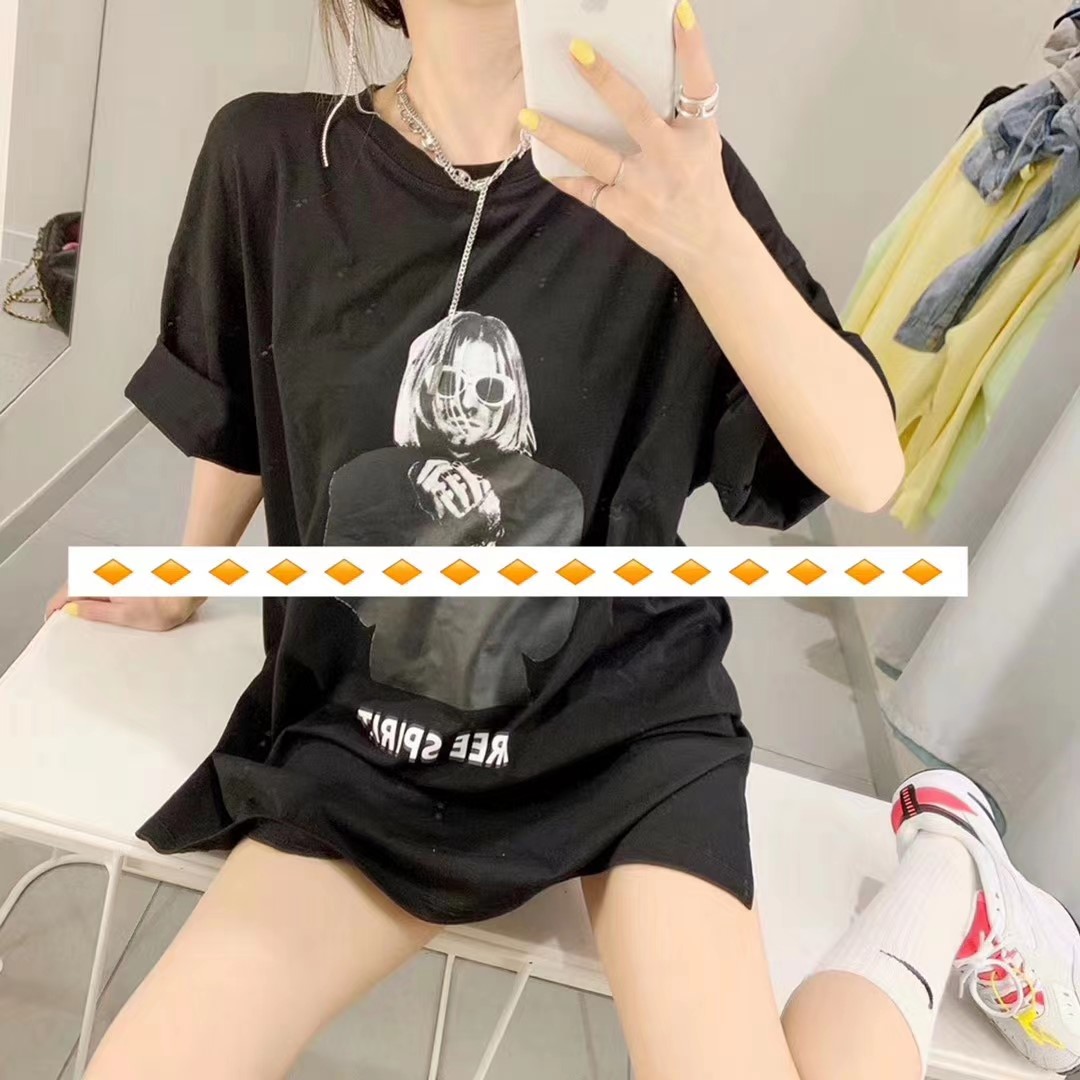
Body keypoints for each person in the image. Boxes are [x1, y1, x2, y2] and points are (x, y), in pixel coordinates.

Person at [42, 1, 1079, 1077]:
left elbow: (863, 467)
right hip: (360, 738)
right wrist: (181, 578)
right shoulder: (272, 156)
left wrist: (710, 235)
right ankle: (946, 875)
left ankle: (943, 876)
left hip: (623, 731)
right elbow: (246, 404)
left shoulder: (658, 185)